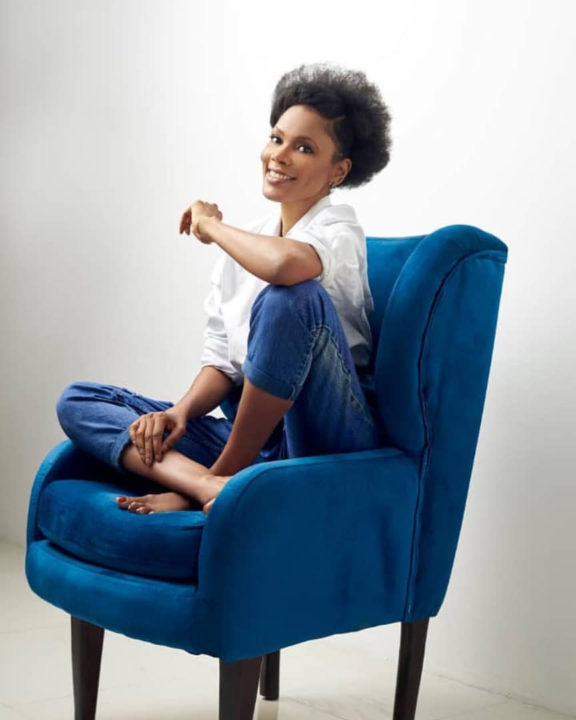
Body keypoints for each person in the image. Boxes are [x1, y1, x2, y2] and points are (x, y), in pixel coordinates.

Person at [56, 62, 392, 516]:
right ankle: (203, 485)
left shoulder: (339, 230)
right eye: (276, 138)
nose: (279, 155)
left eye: (304, 147)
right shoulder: (247, 245)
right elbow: (221, 363)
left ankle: (225, 478)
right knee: (80, 402)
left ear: (338, 171)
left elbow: (285, 266)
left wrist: (211, 226)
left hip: (325, 435)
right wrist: (179, 413)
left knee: (292, 298)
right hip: (255, 440)